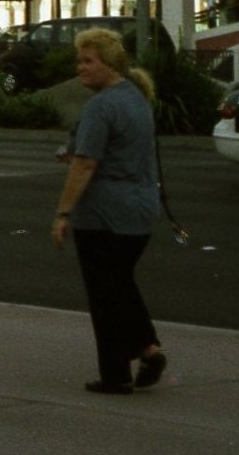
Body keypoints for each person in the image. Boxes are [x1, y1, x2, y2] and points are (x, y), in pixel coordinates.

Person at [50, 27, 167, 396]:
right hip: (140, 210)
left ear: (109, 64)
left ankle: (116, 374)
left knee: (105, 293)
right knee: (120, 285)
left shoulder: (101, 106)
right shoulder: (136, 97)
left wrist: (63, 213)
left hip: (104, 214)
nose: (80, 67)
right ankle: (148, 349)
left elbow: (85, 164)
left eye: (88, 60)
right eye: (79, 60)